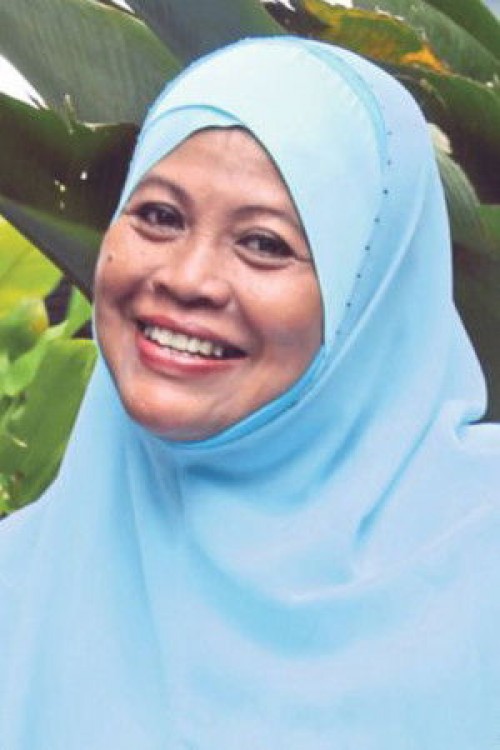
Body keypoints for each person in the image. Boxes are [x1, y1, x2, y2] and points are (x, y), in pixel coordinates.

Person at [0, 35, 499, 750]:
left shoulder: (482, 560)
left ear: (368, 293)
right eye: (159, 216)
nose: (186, 279)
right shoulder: (19, 588)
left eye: (265, 243)